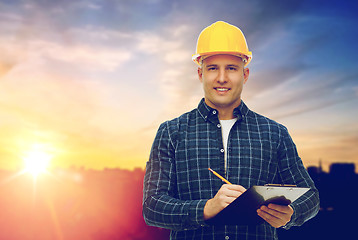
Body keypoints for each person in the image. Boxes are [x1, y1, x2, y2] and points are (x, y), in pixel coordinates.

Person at [143, 21, 319, 240]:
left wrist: (291, 214)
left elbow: (310, 196)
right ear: (200, 74)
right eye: (213, 68)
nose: (222, 78)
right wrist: (206, 208)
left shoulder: (274, 133)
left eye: (232, 68)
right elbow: (152, 206)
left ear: (245, 75)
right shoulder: (172, 132)